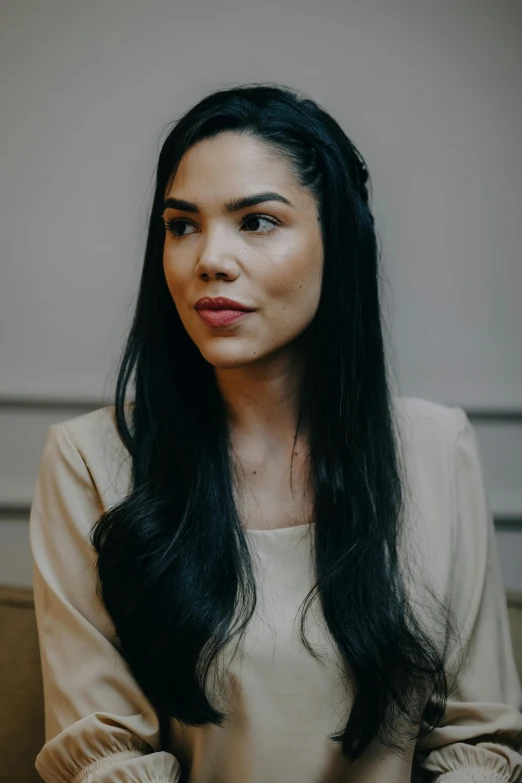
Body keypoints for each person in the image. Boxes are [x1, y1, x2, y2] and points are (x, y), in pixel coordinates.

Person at [29, 83, 522, 783]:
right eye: (181, 225)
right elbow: (106, 754)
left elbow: (477, 744)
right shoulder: (89, 460)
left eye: (256, 221)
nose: (209, 259)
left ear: (338, 242)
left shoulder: (438, 450)